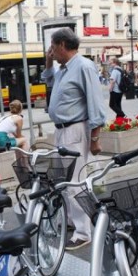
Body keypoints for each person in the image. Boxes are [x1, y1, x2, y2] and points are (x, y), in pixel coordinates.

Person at [42, 28, 106, 251]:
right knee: (64, 180)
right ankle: (73, 221)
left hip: (75, 130)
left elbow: (96, 104)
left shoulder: (84, 66)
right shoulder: (63, 69)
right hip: (62, 131)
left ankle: (83, 232)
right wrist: (49, 62)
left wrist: (95, 138)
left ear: (61, 45)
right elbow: (48, 80)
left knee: (75, 181)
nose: (50, 51)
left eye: (52, 47)